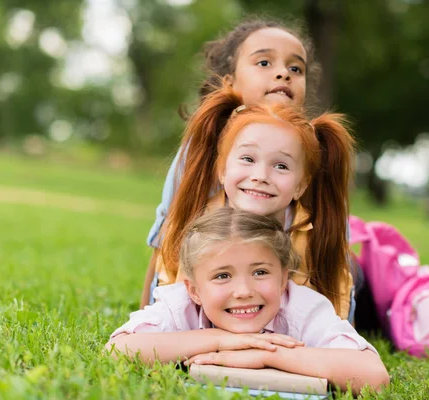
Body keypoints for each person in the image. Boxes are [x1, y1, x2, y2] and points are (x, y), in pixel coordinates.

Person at [140, 17, 356, 310]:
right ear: (229, 81)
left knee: (360, 270)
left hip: (299, 280)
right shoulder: (200, 150)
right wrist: (145, 314)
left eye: (296, 68)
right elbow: (166, 239)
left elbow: (336, 262)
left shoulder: (315, 152)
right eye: (264, 63)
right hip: (234, 278)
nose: (283, 74)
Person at [109, 208, 389, 394]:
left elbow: (374, 378)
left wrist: (266, 354)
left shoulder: (302, 308)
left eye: (260, 272)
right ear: (194, 290)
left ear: (282, 280)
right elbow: (118, 350)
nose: (243, 290)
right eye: (222, 276)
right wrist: (219, 340)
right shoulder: (181, 304)